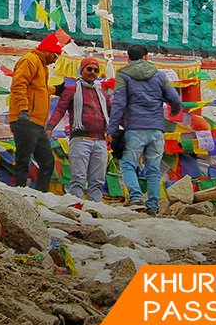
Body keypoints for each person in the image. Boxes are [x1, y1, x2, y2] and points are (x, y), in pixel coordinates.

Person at [107, 44, 182, 216]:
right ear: (147, 57)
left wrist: (112, 129)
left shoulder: (123, 75)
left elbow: (119, 104)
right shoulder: (159, 75)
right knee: (153, 169)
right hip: (156, 129)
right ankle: (153, 205)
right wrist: (175, 111)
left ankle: (135, 198)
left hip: (134, 128)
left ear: (128, 58)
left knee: (128, 164)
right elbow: (175, 99)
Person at [46, 56, 111, 202]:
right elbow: (60, 110)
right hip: (80, 140)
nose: (92, 72)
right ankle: (76, 206)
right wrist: (50, 127)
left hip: (100, 141)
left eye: (96, 70)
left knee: (98, 180)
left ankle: (95, 207)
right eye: (89, 69)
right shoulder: (71, 90)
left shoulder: (102, 94)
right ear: (81, 70)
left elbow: (113, 114)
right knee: (78, 178)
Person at [9, 32, 64, 191]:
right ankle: (19, 192)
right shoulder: (30, 60)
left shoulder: (41, 65)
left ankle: (42, 195)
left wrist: (55, 90)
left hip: (38, 123)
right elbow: (19, 85)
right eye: (55, 56)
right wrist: (23, 109)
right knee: (23, 160)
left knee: (47, 162)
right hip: (25, 119)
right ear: (47, 51)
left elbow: (38, 89)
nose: (55, 60)